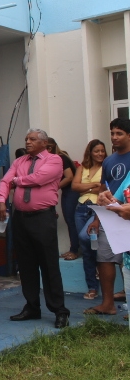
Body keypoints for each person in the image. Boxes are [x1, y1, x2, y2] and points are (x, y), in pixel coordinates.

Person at [0, 128, 70, 328]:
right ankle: (32, 306)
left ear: (44, 143)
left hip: (42, 218)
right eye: (26, 139)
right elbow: (4, 181)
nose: (27, 142)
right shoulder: (20, 161)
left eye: (32, 139)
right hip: (21, 218)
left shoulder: (54, 160)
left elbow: (39, 178)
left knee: (49, 264)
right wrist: (1, 200)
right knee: (26, 264)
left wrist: (17, 181)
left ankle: (59, 310)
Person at [84, 118, 130, 315]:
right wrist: (97, 218)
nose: (114, 137)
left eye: (119, 133)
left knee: (127, 261)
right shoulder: (109, 161)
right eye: (112, 133)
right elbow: (104, 190)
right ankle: (108, 304)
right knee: (105, 257)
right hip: (110, 215)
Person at [71, 139, 106, 299]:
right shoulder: (82, 168)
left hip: (97, 208)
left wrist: (86, 186)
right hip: (81, 208)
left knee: (85, 237)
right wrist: (93, 185)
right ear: (90, 153)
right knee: (86, 249)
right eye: (97, 151)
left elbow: (104, 188)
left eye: (102, 151)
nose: (100, 154)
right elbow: (74, 186)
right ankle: (92, 287)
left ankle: (98, 269)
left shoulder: (106, 166)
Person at [47, 138, 80, 260]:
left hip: (72, 192)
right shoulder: (59, 157)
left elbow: (69, 177)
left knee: (71, 221)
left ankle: (75, 250)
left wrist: (53, 188)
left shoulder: (61, 158)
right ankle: (74, 248)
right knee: (69, 221)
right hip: (67, 192)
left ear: (49, 148)